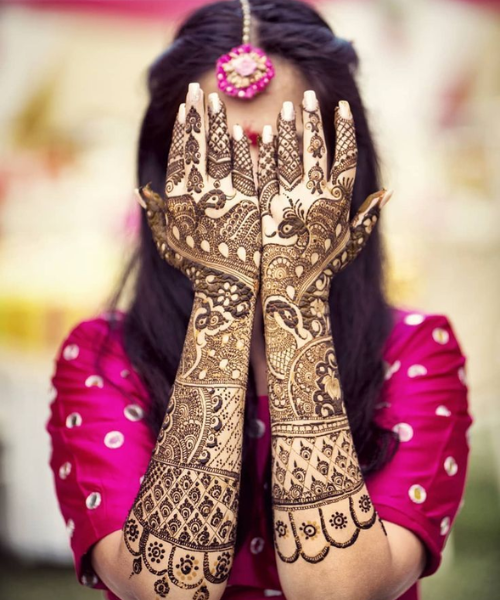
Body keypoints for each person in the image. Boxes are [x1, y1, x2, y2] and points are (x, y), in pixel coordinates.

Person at [45, 1, 473, 599]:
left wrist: (293, 298)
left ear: (348, 178)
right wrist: (225, 290)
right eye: (216, 166)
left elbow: (340, 593)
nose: (252, 201)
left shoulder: (415, 350)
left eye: (287, 164)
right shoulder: (100, 359)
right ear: (163, 187)